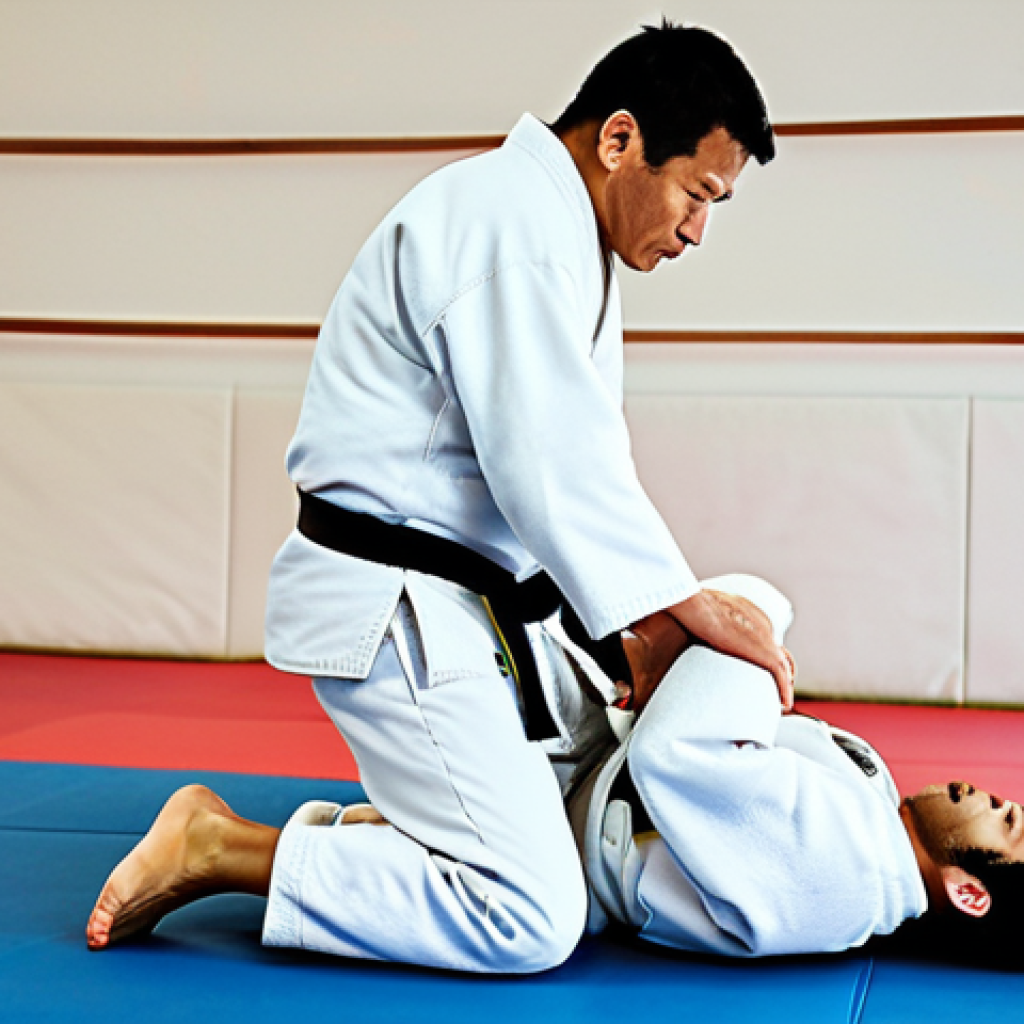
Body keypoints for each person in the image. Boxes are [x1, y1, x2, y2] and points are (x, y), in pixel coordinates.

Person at [86, 23, 790, 973]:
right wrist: (681, 604)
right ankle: (220, 847)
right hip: (399, 610)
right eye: (698, 194)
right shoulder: (512, 227)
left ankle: (396, 830)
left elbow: (562, 470)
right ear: (620, 140)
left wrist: (643, 621)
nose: (699, 230)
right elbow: (551, 470)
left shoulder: (552, 230)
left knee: (594, 821)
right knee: (536, 916)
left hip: (473, 608)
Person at [557, 575, 1024, 962]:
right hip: (603, 747)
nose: (1000, 799)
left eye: (1007, 823)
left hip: (571, 796)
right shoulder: (874, 829)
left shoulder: (851, 870)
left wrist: (754, 638)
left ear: (969, 895)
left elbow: (682, 754)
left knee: (761, 606)